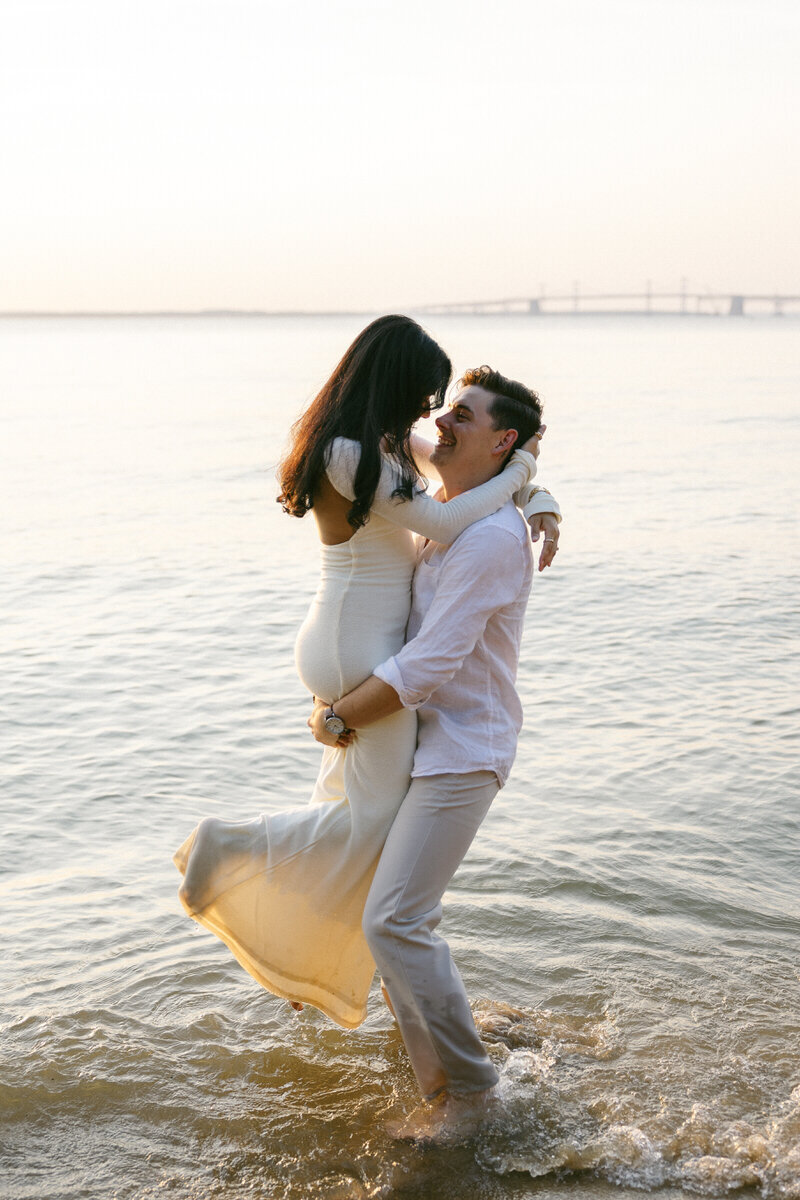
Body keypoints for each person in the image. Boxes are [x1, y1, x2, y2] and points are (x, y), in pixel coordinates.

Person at [173, 318, 560, 1030]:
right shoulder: (353, 454)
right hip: (360, 650)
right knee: (370, 823)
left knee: (350, 819)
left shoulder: (375, 441)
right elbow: (451, 522)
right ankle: (226, 851)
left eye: (445, 403)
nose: (432, 415)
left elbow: (461, 474)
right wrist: (525, 475)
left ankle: (316, 956)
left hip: (352, 639)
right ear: (397, 379)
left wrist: (535, 496)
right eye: (427, 396)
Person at [308, 365, 556, 1140]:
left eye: (463, 415)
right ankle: (442, 1085)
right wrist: (537, 484)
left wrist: (340, 718)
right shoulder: (447, 505)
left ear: (502, 438)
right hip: (418, 744)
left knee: (395, 923)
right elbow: (401, 437)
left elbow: (431, 665)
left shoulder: (487, 537)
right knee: (391, 921)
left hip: (463, 750)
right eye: (444, 410)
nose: (442, 423)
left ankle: (474, 1096)